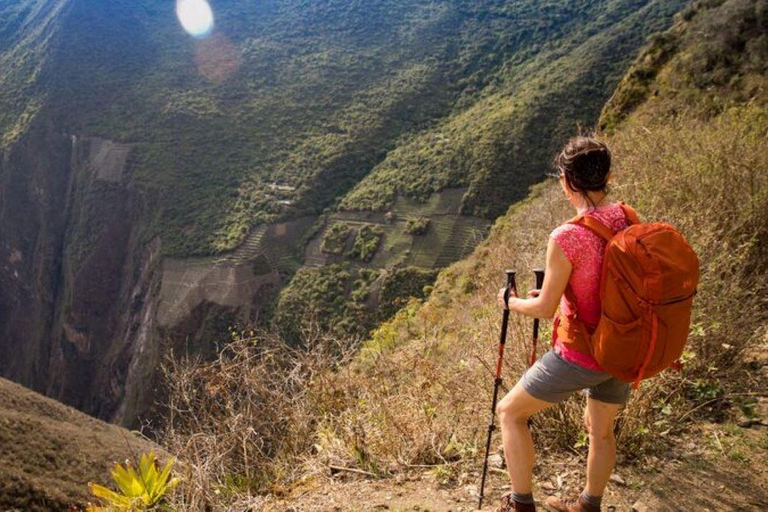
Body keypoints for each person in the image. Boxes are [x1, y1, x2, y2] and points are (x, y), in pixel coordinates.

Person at [493, 136, 633, 512]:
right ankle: (589, 505)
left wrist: (511, 301)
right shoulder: (628, 218)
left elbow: (544, 307)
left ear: (565, 181)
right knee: (601, 432)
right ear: (609, 176)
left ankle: (521, 503)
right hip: (622, 347)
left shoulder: (568, 236)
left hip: (582, 352)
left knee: (510, 412)